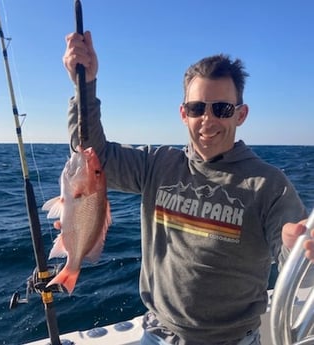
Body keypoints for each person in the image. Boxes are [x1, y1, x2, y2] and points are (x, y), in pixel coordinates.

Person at [62, 31, 314, 345]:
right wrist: (84, 85)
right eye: (197, 109)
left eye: (221, 109)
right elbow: (94, 157)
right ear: (183, 114)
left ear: (241, 114)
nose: (207, 120)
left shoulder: (269, 184)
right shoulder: (156, 164)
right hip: (158, 334)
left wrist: (298, 247)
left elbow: (295, 257)